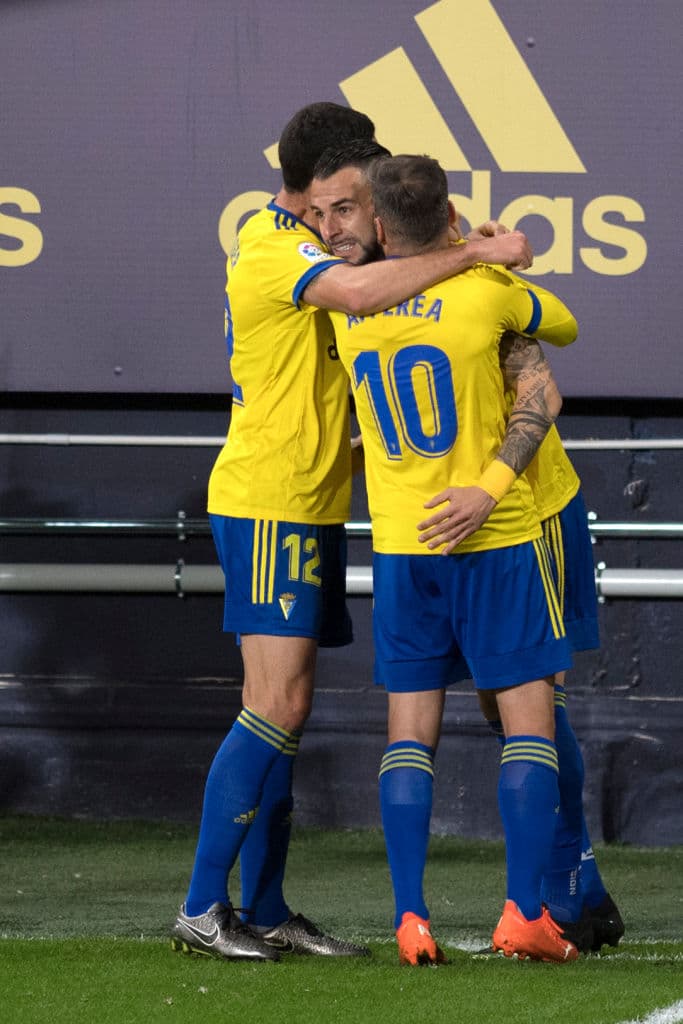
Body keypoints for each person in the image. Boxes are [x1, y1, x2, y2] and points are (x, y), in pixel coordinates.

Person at [171, 102, 535, 963]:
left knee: (286, 714)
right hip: (270, 501)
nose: (353, 218)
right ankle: (200, 907)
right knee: (275, 704)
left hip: (310, 499)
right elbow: (357, 290)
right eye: (339, 199)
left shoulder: (310, 243)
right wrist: (476, 251)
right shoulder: (271, 245)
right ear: (301, 190)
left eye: (360, 204)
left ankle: (263, 906)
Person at [309, 140, 623, 958]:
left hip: (406, 546)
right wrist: (481, 255)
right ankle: (527, 911)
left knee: (408, 734)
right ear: (448, 214)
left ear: (378, 221)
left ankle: (411, 917)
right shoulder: (486, 294)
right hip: (497, 530)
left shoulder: (348, 311)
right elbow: (561, 328)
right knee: (529, 721)